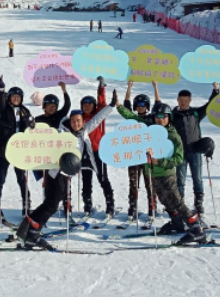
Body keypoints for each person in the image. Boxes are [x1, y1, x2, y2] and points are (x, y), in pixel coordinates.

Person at [17, 97, 118, 247]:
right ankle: (32, 232)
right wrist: (32, 126)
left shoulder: (84, 130)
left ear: (82, 121)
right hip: (55, 172)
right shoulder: (61, 133)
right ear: (69, 121)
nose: (76, 123)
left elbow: (97, 119)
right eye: (73, 121)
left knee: (51, 202)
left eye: (78, 120)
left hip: (66, 174)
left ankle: (27, 226)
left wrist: (111, 105)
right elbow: (45, 137)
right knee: (51, 204)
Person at [145, 103, 207, 244]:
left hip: (167, 174)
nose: (160, 120)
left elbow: (178, 159)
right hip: (154, 174)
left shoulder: (173, 136)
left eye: (163, 117)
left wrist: (159, 162)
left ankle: (197, 229)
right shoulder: (149, 135)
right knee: (164, 200)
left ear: (169, 117)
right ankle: (177, 223)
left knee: (176, 201)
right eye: (157, 117)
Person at [170, 83, 220, 226]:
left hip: (195, 151)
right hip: (180, 154)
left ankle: (198, 206)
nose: (183, 103)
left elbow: (211, 105)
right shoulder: (173, 116)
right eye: (181, 100)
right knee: (180, 181)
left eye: (186, 100)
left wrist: (216, 90)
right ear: (177, 100)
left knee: (197, 179)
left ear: (190, 100)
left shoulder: (196, 113)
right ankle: (180, 208)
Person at [117, 80, 161, 220]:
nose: (140, 107)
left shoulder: (151, 119)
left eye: (143, 105)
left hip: (147, 156)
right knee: (133, 183)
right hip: (134, 155)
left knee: (150, 183)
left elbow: (158, 106)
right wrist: (129, 88)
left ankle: (152, 207)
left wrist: (155, 86)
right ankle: (133, 207)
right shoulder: (132, 118)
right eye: (138, 105)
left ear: (147, 106)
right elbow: (126, 107)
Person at [0, 76, 34, 219]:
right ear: (9, 98)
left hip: (20, 150)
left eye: (18, 97)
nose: (15, 99)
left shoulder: (25, 111)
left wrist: (32, 125)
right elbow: (0, 102)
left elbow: (30, 127)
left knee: (22, 178)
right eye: (13, 97)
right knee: (1, 177)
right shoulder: (4, 109)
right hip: (5, 149)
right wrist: (1, 89)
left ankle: (26, 205)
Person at [78, 78, 115, 218]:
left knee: (103, 178)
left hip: (99, 152)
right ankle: (87, 205)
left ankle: (110, 206)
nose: (87, 106)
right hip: (84, 153)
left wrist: (101, 89)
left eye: (90, 104)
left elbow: (102, 104)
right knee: (86, 180)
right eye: (84, 104)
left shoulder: (98, 116)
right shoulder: (79, 119)